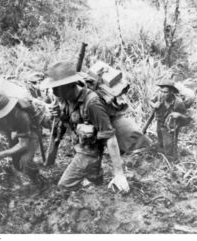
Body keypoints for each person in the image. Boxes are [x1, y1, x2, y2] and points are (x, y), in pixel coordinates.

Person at [40, 61, 151, 193]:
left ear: (70, 85)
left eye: (57, 88)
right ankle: (96, 183)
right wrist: (59, 114)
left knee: (64, 186)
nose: (54, 92)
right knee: (95, 183)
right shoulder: (64, 97)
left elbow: (110, 136)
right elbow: (69, 122)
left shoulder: (92, 103)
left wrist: (119, 174)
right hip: (82, 144)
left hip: (89, 150)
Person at [150, 80, 191, 162]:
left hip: (171, 127)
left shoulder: (178, 103)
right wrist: (154, 105)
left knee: (170, 145)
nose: (162, 94)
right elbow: (150, 100)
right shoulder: (159, 96)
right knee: (160, 140)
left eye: (165, 92)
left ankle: (172, 161)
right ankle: (163, 154)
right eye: (161, 91)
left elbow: (188, 118)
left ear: (171, 92)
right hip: (160, 122)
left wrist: (179, 115)